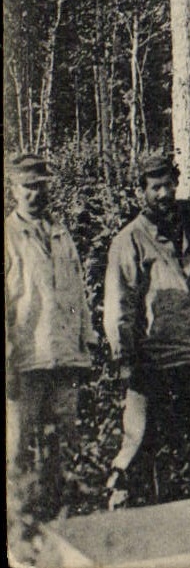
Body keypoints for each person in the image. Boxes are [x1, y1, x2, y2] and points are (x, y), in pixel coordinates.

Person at [103, 149, 190, 507]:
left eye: (168, 185)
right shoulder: (130, 240)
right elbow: (119, 305)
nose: (163, 194)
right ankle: (121, 510)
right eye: (155, 187)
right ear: (141, 191)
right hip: (157, 362)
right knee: (141, 444)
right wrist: (125, 358)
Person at [5, 152, 94, 518]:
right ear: (13, 189)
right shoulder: (9, 236)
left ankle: (61, 523)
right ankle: (18, 529)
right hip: (24, 362)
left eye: (41, 186)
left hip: (63, 359)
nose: (35, 194)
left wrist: (84, 346)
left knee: (64, 447)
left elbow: (78, 296)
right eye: (28, 187)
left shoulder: (60, 233)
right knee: (17, 450)